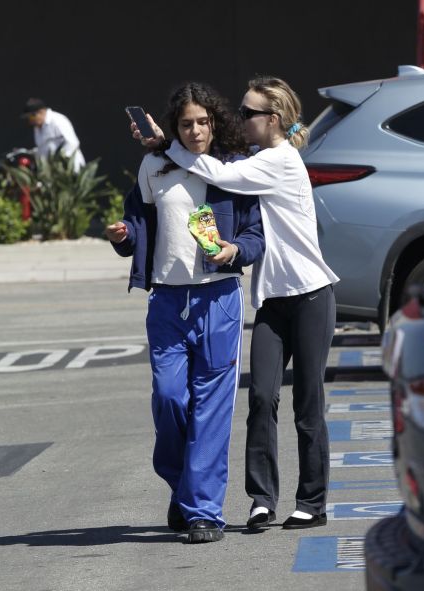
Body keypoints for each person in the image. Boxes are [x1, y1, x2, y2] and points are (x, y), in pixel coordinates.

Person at [137, 76, 339, 530]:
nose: (241, 119)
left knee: (307, 404)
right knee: (261, 397)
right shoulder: (257, 157)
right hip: (272, 299)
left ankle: (312, 502)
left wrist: (165, 143)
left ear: (273, 120)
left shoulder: (281, 161)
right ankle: (262, 498)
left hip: (310, 295)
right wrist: (163, 145)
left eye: (249, 113)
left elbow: (219, 173)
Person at [107, 82, 264, 544]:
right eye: (186, 124)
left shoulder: (231, 170)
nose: (195, 131)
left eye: (203, 122)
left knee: (212, 409)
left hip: (218, 299)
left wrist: (235, 250)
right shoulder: (155, 165)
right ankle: (183, 488)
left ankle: (203, 513)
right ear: (174, 128)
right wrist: (124, 239)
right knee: (170, 398)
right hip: (168, 302)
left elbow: (255, 235)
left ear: (215, 123)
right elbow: (140, 225)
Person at [21, 97, 86, 172]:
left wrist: (60, 161)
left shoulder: (58, 120)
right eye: (28, 118)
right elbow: (43, 148)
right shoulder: (37, 128)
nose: (30, 121)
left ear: (41, 112)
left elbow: (73, 143)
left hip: (71, 169)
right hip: (53, 173)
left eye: (31, 117)